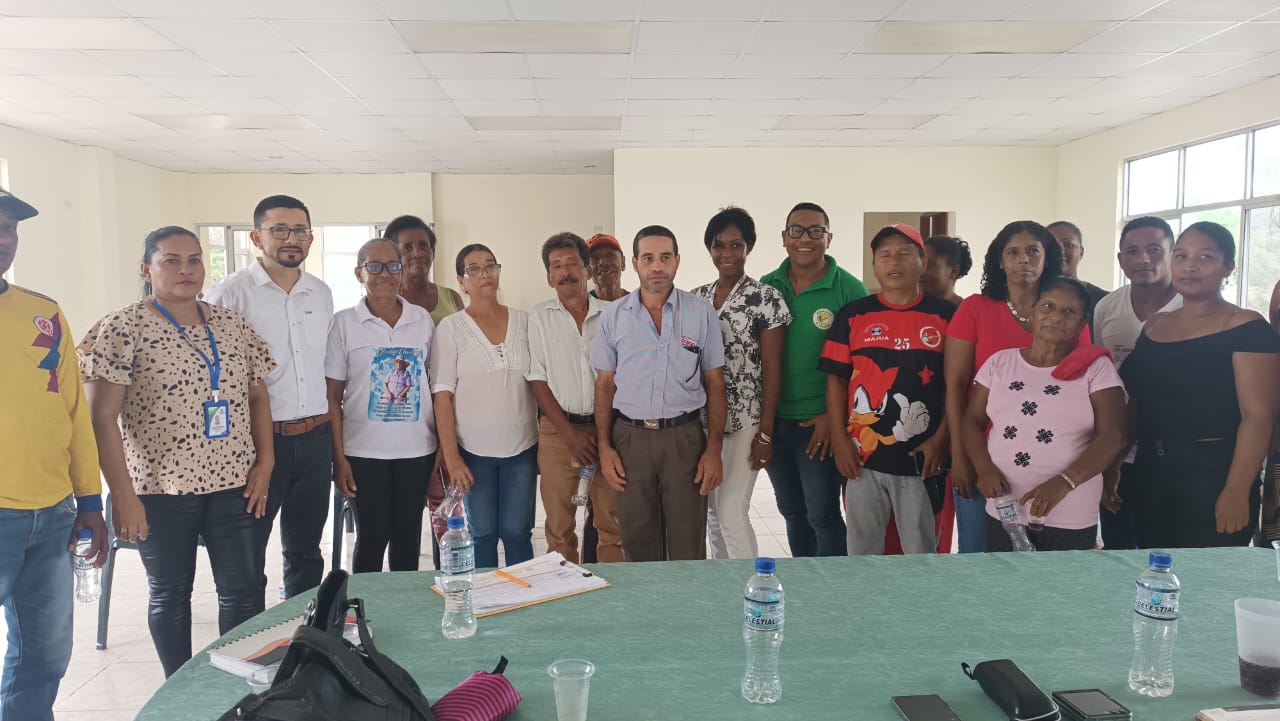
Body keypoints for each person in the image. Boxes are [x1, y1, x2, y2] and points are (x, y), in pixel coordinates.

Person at [80, 226, 275, 677]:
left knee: (244, 591)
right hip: (159, 489)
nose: (186, 269)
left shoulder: (231, 325)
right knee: (170, 595)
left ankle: (240, 687)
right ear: (146, 270)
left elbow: (259, 397)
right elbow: (101, 418)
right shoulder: (122, 327)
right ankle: (179, 690)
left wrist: (265, 463)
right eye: (171, 260)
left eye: (194, 260)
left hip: (235, 484)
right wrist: (123, 495)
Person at [0, 189, 106, 720]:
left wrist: (90, 501)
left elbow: (73, 414)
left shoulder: (43, 313)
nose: (2, 240)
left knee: (44, 655)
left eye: (8, 229)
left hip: (53, 513)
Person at [204, 194, 333, 600]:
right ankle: (253, 633)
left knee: (306, 552)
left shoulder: (320, 293)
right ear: (257, 237)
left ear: (310, 238)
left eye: (299, 230)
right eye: (279, 230)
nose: (291, 239)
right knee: (248, 552)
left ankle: (304, 629)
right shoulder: (230, 295)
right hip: (257, 444)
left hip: (315, 439)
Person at [1122, 221, 1280, 548]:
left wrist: (1237, 490)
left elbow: (1258, 417)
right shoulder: (1155, 325)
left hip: (1214, 472)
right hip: (1151, 468)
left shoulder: (1247, 326)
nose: (1190, 266)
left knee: (1208, 571)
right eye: (1181, 256)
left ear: (1228, 267)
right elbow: (1136, 402)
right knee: (1152, 565)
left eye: (1205, 257)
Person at [945, 220, 1086, 553]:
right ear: (1000, 260)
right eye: (1013, 252)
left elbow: (1083, 384)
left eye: (1033, 251)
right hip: (983, 458)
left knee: (1047, 559)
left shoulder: (1065, 312)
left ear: (1047, 258)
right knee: (980, 553)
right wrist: (961, 458)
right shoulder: (975, 309)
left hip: (1054, 461)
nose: (1024, 259)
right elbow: (955, 386)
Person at [591, 225, 727, 561]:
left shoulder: (700, 313)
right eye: (648, 258)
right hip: (630, 439)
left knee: (687, 540)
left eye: (665, 258)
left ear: (677, 261)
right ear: (635, 263)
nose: (657, 266)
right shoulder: (613, 317)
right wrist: (605, 447)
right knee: (637, 539)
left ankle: (685, 598)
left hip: (684, 438)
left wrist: (713, 450)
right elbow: (605, 385)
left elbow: (715, 383)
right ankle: (646, 598)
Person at [962, 277, 1127, 552]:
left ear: (1083, 323)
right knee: (1006, 576)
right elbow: (972, 420)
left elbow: (1112, 437)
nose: (1056, 316)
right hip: (1005, 505)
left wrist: (1064, 483)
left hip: (1070, 508)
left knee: (1061, 580)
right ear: (1033, 313)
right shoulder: (1000, 362)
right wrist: (983, 468)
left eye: (1069, 311)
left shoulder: (1096, 368)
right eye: (1047, 306)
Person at [821, 224, 953, 555]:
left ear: (922, 262)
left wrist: (941, 440)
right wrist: (839, 439)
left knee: (921, 552)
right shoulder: (854, 315)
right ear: (875, 265)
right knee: (862, 551)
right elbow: (836, 379)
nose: (894, 262)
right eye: (885, 255)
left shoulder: (946, 317)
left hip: (922, 460)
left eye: (904, 254)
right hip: (861, 457)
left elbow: (958, 386)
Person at [761, 203, 869, 557]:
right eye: (796, 230)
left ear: (829, 238)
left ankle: (832, 586)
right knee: (792, 511)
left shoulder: (849, 290)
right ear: (784, 237)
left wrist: (833, 418)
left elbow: (865, 366)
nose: (804, 238)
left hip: (820, 426)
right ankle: (804, 581)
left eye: (815, 231)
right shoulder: (767, 286)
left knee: (822, 514)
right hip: (775, 422)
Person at [327, 239, 437, 573]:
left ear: (402, 271)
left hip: (416, 450)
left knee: (407, 539)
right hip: (363, 452)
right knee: (372, 539)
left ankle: (402, 604)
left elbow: (434, 386)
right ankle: (364, 603)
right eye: (374, 266)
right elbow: (332, 397)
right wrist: (339, 458)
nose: (384, 274)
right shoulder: (343, 323)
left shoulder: (421, 320)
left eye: (393, 266)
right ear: (359, 273)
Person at [691, 207, 790, 560]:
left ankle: (751, 583)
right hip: (702, 419)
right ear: (709, 248)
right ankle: (723, 582)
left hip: (746, 420)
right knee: (712, 514)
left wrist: (766, 434)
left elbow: (773, 369)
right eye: (719, 245)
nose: (727, 253)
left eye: (737, 245)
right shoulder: (695, 298)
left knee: (731, 512)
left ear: (749, 247)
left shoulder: (766, 298)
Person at [430, 244, 538, 569]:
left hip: (522, 448)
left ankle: (524, 595)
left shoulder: (526, 322)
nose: (484, 274)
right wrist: (452, 458)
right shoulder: (451, 328)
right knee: (482, 534)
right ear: (461, 281)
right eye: (474, 269)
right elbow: (442, 396)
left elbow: (540, 382)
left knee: (518, 532)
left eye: (490, 266)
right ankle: (487, 596)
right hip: (473, 452)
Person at [527, 232, 622, 564]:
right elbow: (537, 380)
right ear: (548, 276)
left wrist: (604, 437)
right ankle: (565, 591)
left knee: (612, 526)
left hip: (610, 432)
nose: (565, 272)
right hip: (558, 433)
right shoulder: (539, 316)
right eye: (556, 266)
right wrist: (570, 435)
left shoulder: (613, 314)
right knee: (559, 528)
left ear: (588, 269)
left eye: (572, 263)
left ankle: (614, 592)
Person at [1091, 216, 1181, 550]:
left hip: (1175, 452)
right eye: (1133, 251)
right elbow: (1102, 376)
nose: (1144, 258)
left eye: (1154, 249)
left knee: (1169, 546)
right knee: (1120, 546)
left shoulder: (1192, 306)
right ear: (1121, 260)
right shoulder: (1106, 308)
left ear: (1172, 253)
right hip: (1118, 451)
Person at [384, 213, 462, 569]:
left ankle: (450, 584)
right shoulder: (383, 302)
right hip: (402, 425)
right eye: (407, 247)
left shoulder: (451, 298)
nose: (417, 253)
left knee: (449, 517)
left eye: (424, 246)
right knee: (402, 524)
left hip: (447, 418)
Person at [1048, 221, 1109, 311]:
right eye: (1052, 245)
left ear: (1081, 252)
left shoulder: (1103, 301)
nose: (1060, 251)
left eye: (1068, 245)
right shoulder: (1030, 296)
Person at [921, 235, 972, 307]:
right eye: (919, 265)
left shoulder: (968, 311)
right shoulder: (909, 308)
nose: (921, 272)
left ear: (953, 271)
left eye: (930, 265)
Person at [587, 233, 628, 302]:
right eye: (595, 258)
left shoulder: (637, 304)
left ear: (623, 263)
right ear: (587, 270)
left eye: (610, 255)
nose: (603, 262)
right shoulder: (582, 306)